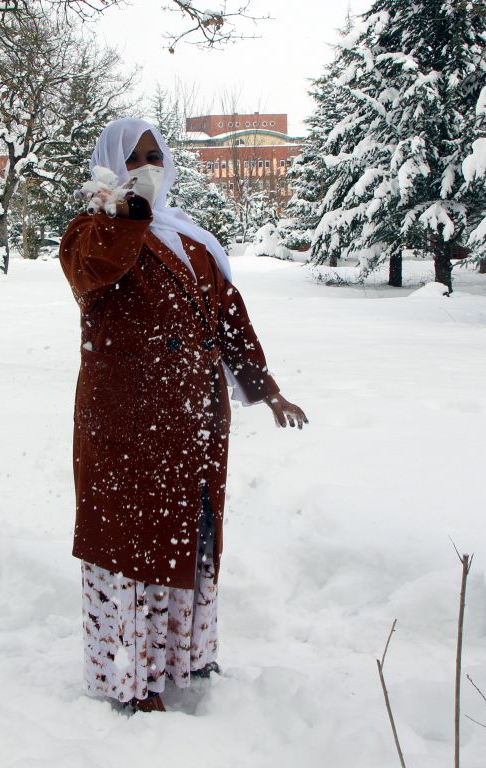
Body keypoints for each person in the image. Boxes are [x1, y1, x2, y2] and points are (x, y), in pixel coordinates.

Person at [59, 118, 308, 713]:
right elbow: (94, 272)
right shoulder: (91, 230)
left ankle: (180, 660)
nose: (147, 166)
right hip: (127, 419)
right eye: (134, 157)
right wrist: (129, 212)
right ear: (111, 164)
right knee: (130, 543)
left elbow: (228, 318)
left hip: (193, 416)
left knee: (184, 535)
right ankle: (128, 677)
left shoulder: (191, 239)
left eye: (155, 156)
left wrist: (265, 389)